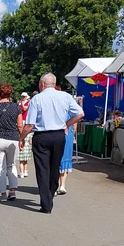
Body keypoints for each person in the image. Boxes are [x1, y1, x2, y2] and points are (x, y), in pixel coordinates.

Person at [20, 74, 83, 213]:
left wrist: (21, 138)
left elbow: (30, 124)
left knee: (43, 169)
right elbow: (80, 114)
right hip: (59, 135)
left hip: (42, 136)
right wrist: (66, 124)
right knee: (55, 166)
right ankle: (50, 194)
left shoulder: (37, 99)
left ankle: (46, 203)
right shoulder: (65, 96)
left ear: (42, 84)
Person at [57, 110, 76, 195]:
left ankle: (56, 186)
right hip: (68, 133)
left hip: (57, 133)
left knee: (56, 158)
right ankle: (62, 185)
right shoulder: (71, 110)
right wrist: (73, 134)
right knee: (65, 157)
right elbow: (75, 123)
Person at [17, 92, 32, 178]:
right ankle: (23, 171)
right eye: (22, 96)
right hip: (21, 119)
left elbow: (24, 109)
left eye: (24, 96)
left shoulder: (28, 102)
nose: (22, 97)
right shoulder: (19, 103)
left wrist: (22, 103)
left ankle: (25, 171)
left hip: (25, 120)